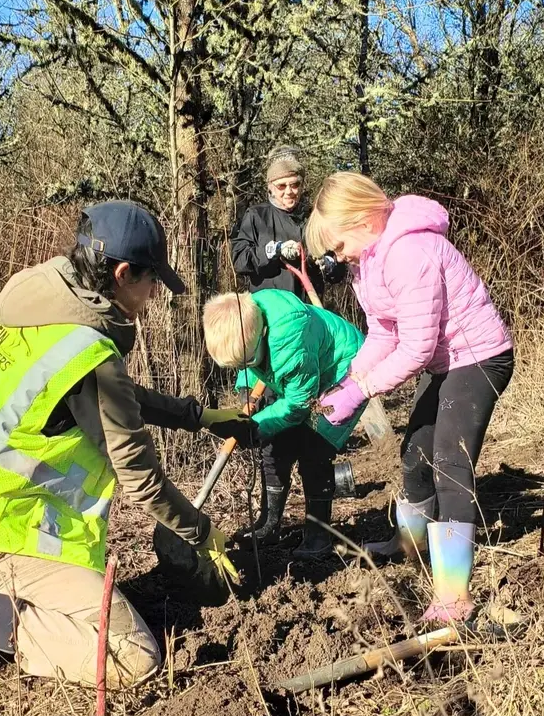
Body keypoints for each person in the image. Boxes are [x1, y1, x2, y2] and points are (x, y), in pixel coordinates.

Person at [0, 201, 250, 704]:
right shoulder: (88, 354)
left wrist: (196, 416)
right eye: (150, 285)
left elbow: (112, 396)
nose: (152, 298)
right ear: (122, 275)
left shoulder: (41, 302)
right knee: (133, 655)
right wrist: (204, 532)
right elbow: (140, 480)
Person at [305, 172, 514, 623]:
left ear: (362, 220)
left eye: (339, 246)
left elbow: (416, 347)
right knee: (415, 452)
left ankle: (454, 596)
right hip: (446, 360)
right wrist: (348, 381)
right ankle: (411, 544)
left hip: (479, 357)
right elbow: (385, 331)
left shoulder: (408, 253)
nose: (338, 258)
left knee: (450, 462)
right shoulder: (370, 264)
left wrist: (363, 389)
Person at [229, 145, 347, 543]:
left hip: (309, 342)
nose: (289, 192)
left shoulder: (311, 221)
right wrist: (272, 251)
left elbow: (335, 269)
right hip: (266, 341)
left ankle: (318, 530)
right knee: (275, 437)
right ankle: (269, 522)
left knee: (315, 435)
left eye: (295, 185)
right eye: (281, 186)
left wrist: (332, 265)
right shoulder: (257, 218)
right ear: (269, 187)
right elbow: (239, 257)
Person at [202, 289, 366, 558]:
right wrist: (246, 390)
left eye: (247, 362)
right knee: (274, 447)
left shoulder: (291, 346)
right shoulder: (249, 321)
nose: (244, 366)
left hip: (345, 370)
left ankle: (318, 537)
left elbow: (298, 406)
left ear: (263, 335)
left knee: (315, 450)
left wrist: (256, 426)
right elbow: (249, 364)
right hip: (307, 370)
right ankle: (269, 524)